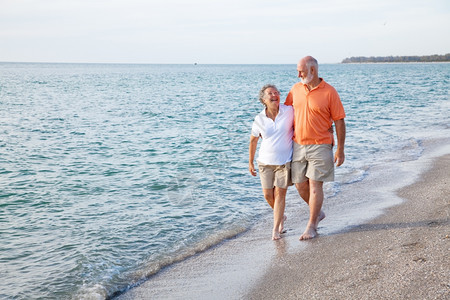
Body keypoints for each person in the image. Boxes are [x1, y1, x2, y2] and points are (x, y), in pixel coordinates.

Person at [285, 56, 346, 240]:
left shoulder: (329, 92)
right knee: (299, 184)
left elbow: (339, 121)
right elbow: (284, 113)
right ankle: (317, 212)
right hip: (298, 144)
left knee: (314, 185)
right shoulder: (295, 89)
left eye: (301, 71)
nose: (298, 75)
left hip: (321, 144)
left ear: (312, 70)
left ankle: (311, 225)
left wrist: (340, 150)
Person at [249, 84, 294, 240]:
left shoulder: (289, 111)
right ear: (264, 99)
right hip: (265, 162)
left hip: (284, 162)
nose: (274, 95)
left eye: (277, 92)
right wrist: (250, 162)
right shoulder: (259, 119)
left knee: (280, 193)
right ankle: (281, 216)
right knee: (268, 195)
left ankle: (276, 228)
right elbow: (253, 140)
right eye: (270, 93)